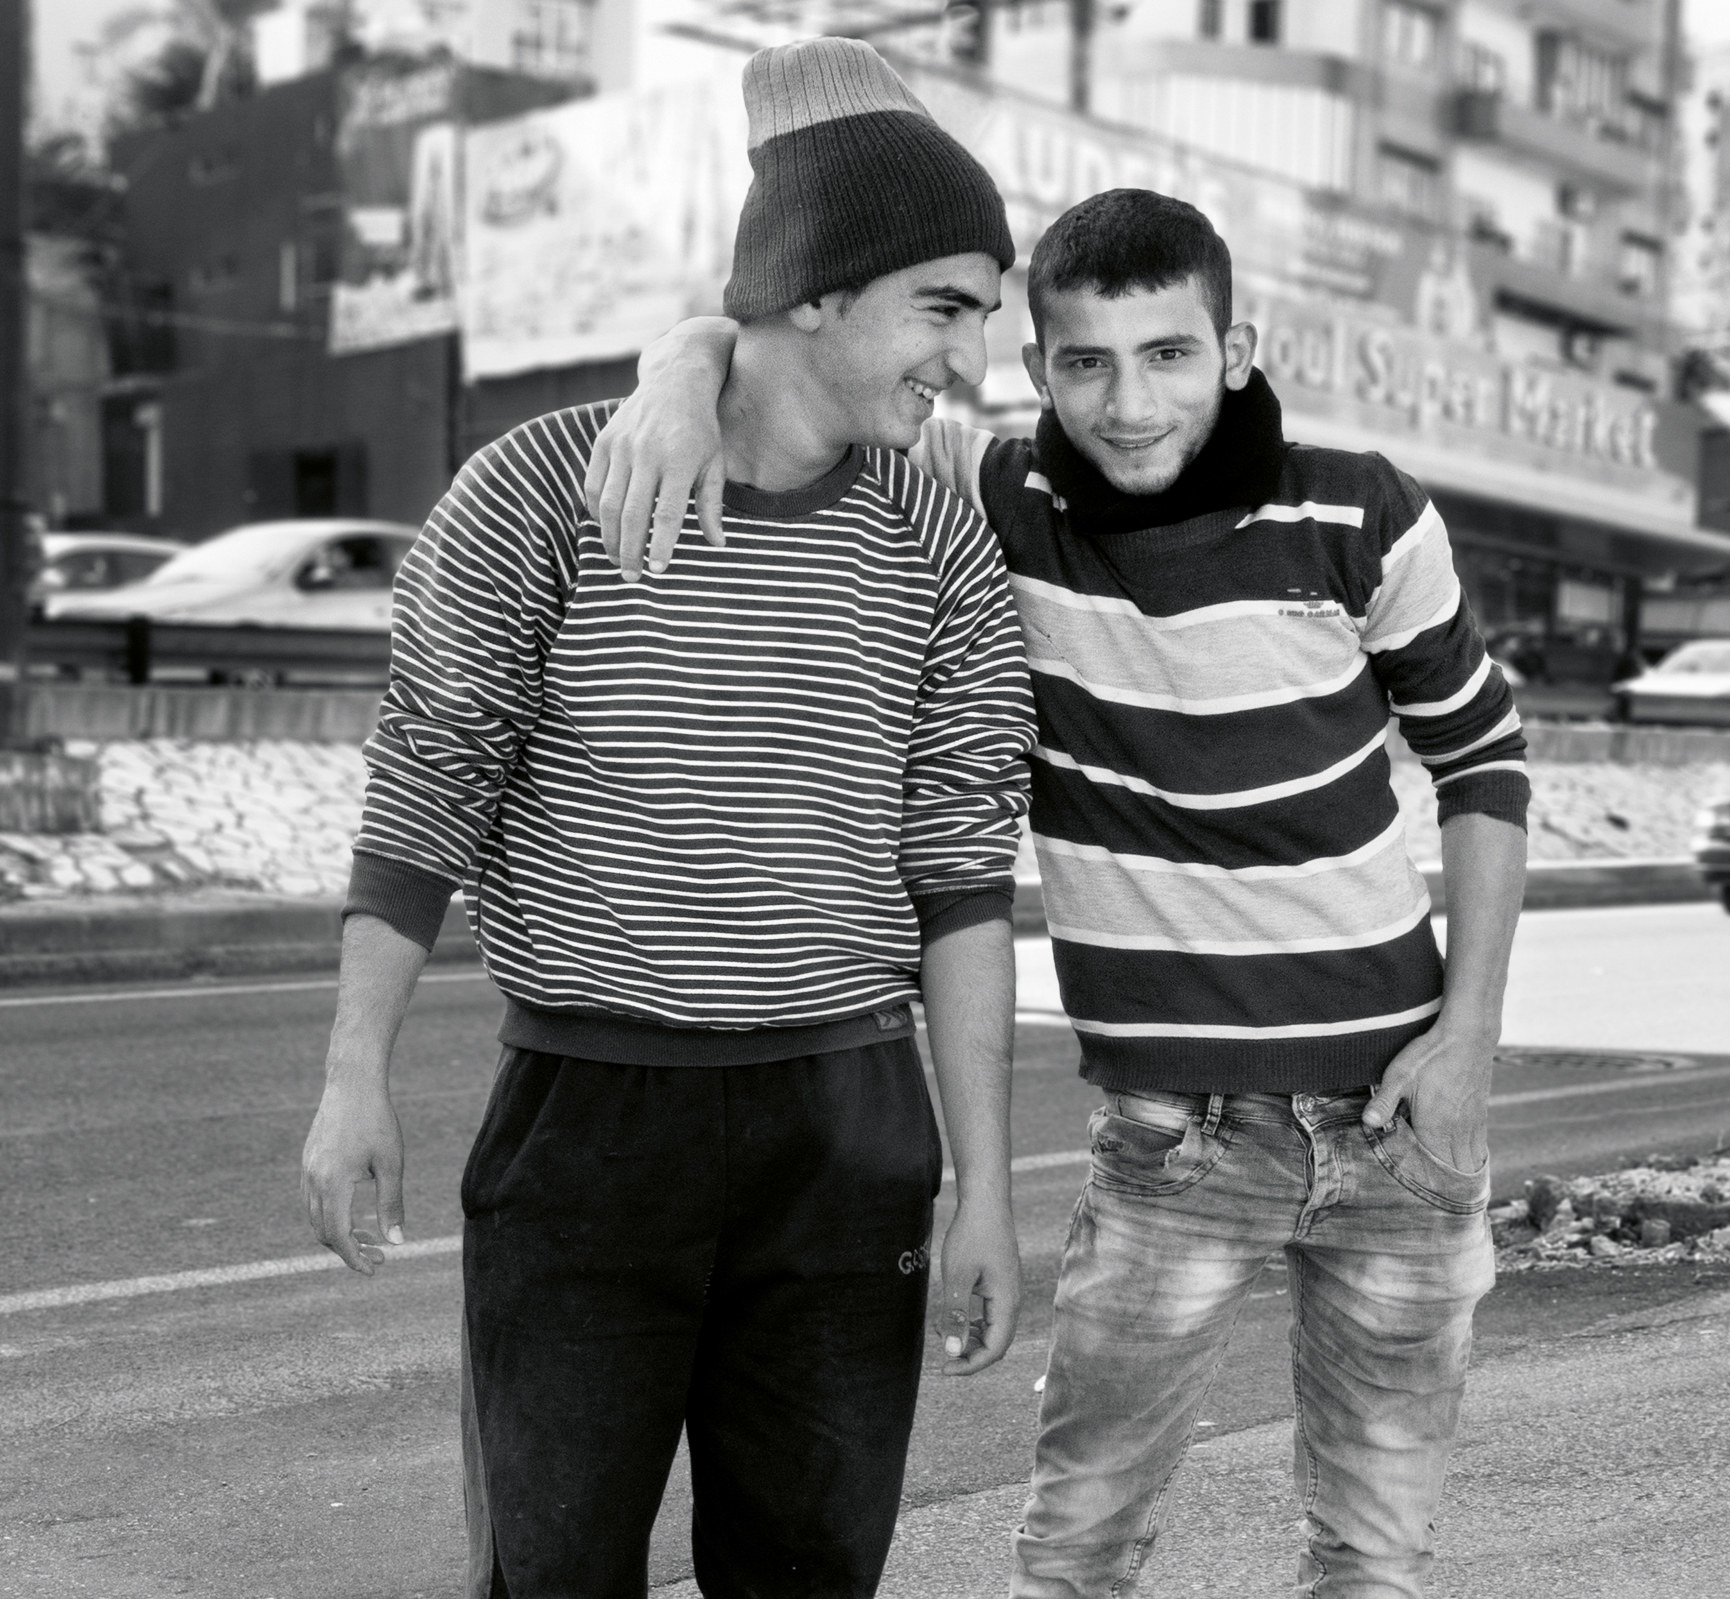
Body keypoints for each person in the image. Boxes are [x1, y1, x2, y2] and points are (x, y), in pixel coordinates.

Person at [595, 186, 1531, 1598]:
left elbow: (1485, 769)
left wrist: (1468, 1046)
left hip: (1401, 1121)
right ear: (1041, 372)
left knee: (1375, 1556)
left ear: (1236, 348)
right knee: (1078, 1547)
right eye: (1084, 361)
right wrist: (674, 374)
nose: (1128, 401)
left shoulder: (1364, 510)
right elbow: (795, 357)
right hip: (1174, 1142)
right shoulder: (999, 497)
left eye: (1166, 353)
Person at [300, 38, 1035, 1599]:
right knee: (554, 1574)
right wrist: (352, 1075)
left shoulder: (942, 540)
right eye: (946, 308)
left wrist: (984, 1185)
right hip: (589, 1130)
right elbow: (428, 781)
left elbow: (965, 872)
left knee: (813, 1574)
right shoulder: (536, 491)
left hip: (849, 1136)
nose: (967, 358)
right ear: (820, 293)